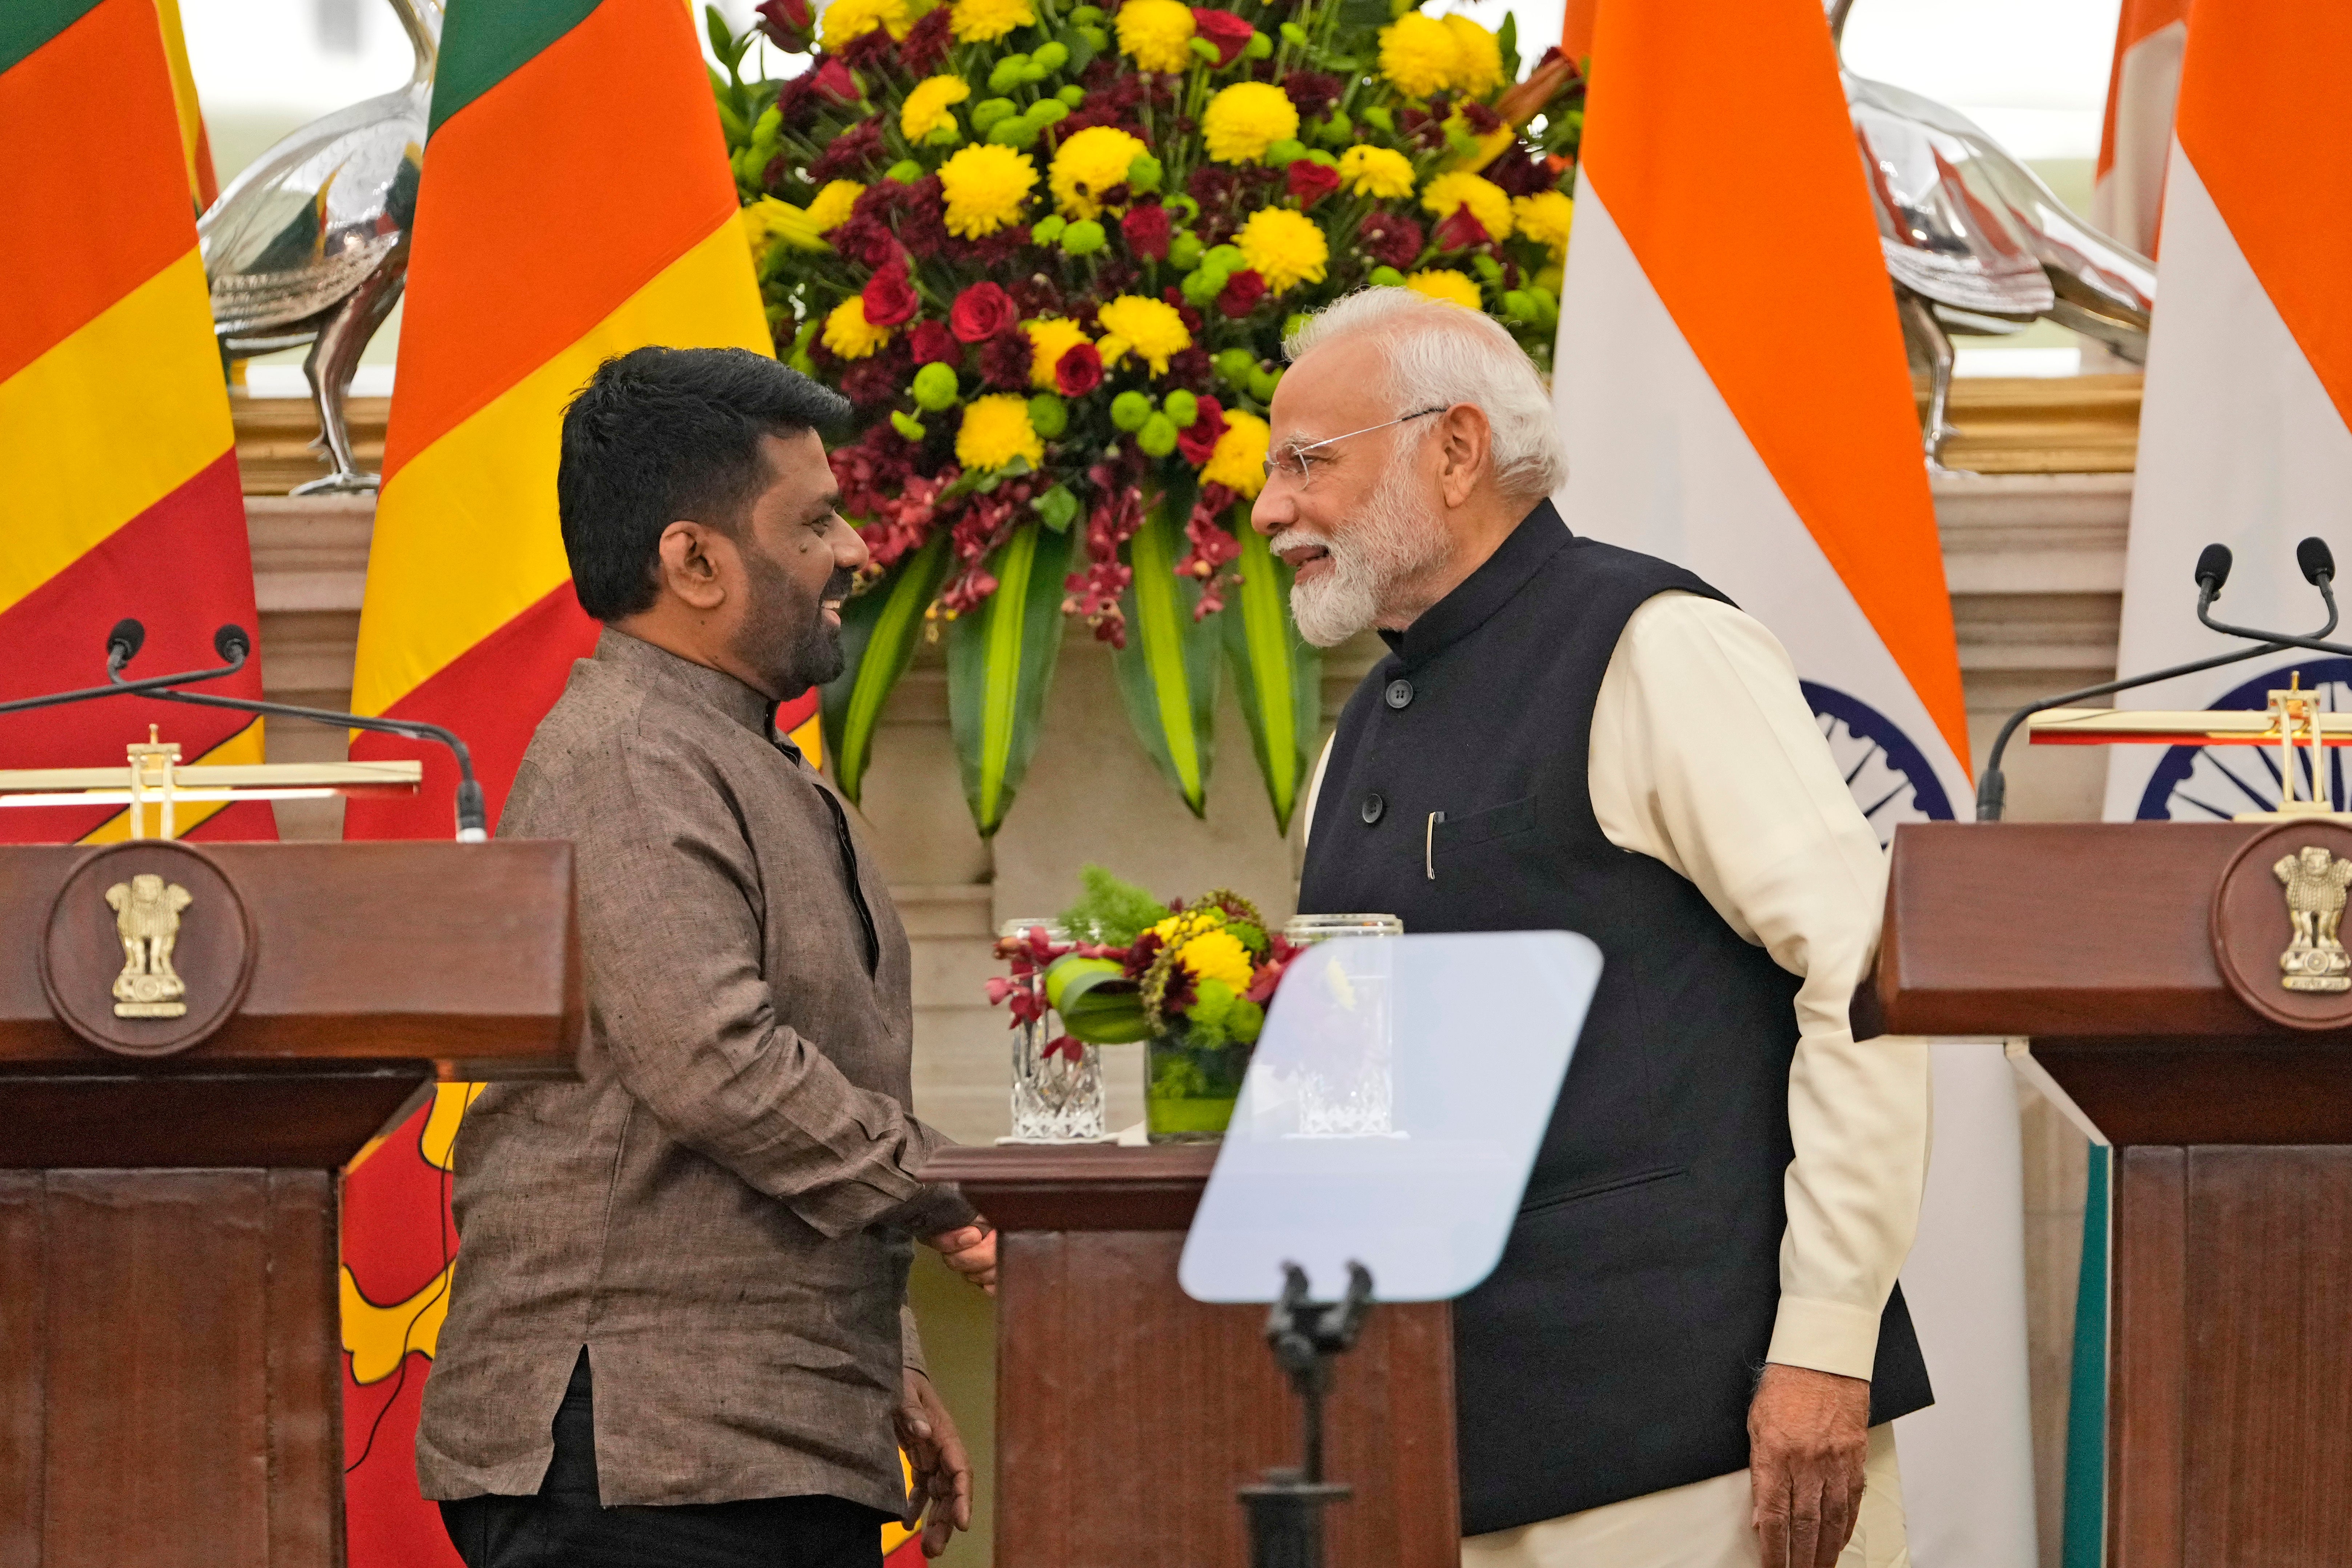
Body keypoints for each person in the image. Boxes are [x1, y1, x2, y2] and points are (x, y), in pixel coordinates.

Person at [1255, 289, 1933, 1568]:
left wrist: (1826, 1344)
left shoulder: (1659, 646)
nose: (1270, 507)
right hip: (1446, 1444)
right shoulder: (1359, 733)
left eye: (1306, 462)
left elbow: (1867, 977)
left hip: (1695, 1442)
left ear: (1455, 449)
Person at [417, 346, 996, 1568]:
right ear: (693, 560)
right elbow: (718, 1062)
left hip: (754, 1446)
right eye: (817, 520)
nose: (853, 552)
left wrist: (882, 1362)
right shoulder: (629, 754)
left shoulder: (746, 760)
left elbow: (820, 1089)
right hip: (633, 1457)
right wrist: (956, 1199)